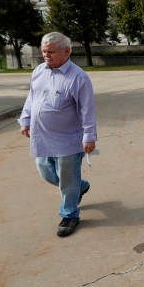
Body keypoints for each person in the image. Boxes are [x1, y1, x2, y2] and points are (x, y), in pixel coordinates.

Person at [18, 32, 97, 237]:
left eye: (51, 52)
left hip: (68, 138)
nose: (46, 55)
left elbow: (87, 110)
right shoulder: (38, 71)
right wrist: (25, 119)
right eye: (44, 51)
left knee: (66, 179)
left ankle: (69, 214)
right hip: (41, 136)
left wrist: (89, 136)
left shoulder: (78, 77)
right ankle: (78, 186)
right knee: (45, 170)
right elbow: (31, 98)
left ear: (66, 51)